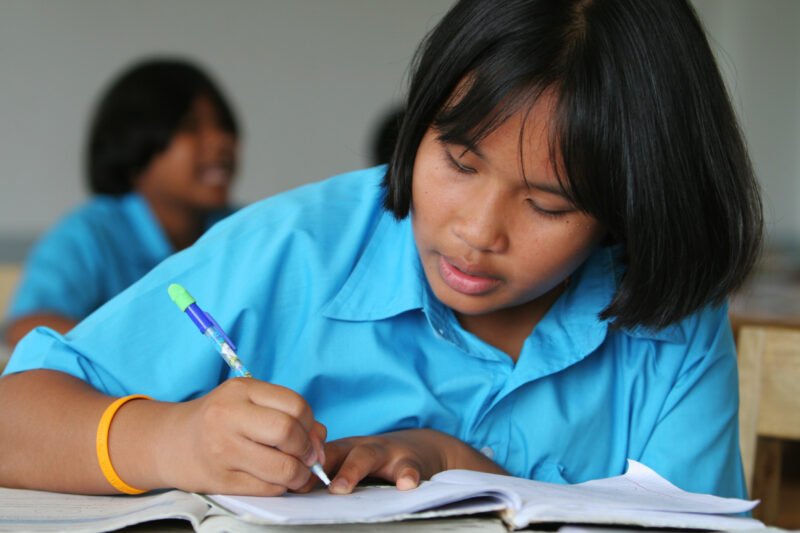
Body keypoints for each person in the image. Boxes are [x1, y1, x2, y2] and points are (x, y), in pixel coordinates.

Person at [0, 0, 761, 501]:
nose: (476, 230)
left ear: (628, 209)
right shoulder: (297, 249)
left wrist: (459, 468)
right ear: (419, 120)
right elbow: (16, 415)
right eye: (459, 162)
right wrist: (171, 441)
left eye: (548, 204)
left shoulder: (671, 315)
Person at [2, 58, 239, 347]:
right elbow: (28, 329)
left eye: (224, 125)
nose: (220, 140)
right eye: (190, 127)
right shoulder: (89, 234)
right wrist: (135, 353)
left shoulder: (239, 229)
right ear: (134, 150)